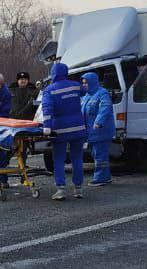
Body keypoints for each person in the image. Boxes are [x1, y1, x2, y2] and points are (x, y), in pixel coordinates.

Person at [40, 61, 87, 199]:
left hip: (60, 130)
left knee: (59, 159)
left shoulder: (50, 90)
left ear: (53, 74)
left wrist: (46, 127)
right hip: (79, 128)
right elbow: (85, 90)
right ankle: (78, 189)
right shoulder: (75, 86)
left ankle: (61, 189)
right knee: (77, 158)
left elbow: (47, 109)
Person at [81, 71, 115, 186]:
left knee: (100, 156)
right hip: (91, 133)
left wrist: (99, 122)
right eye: (83, 83)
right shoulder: (86, 97)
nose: (84, 85)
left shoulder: (102, 93)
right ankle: (104, 176)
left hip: (101, 131)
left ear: (92, 82)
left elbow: (105, 108)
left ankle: (101, 178)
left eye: (86, 83)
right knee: (96, 155)